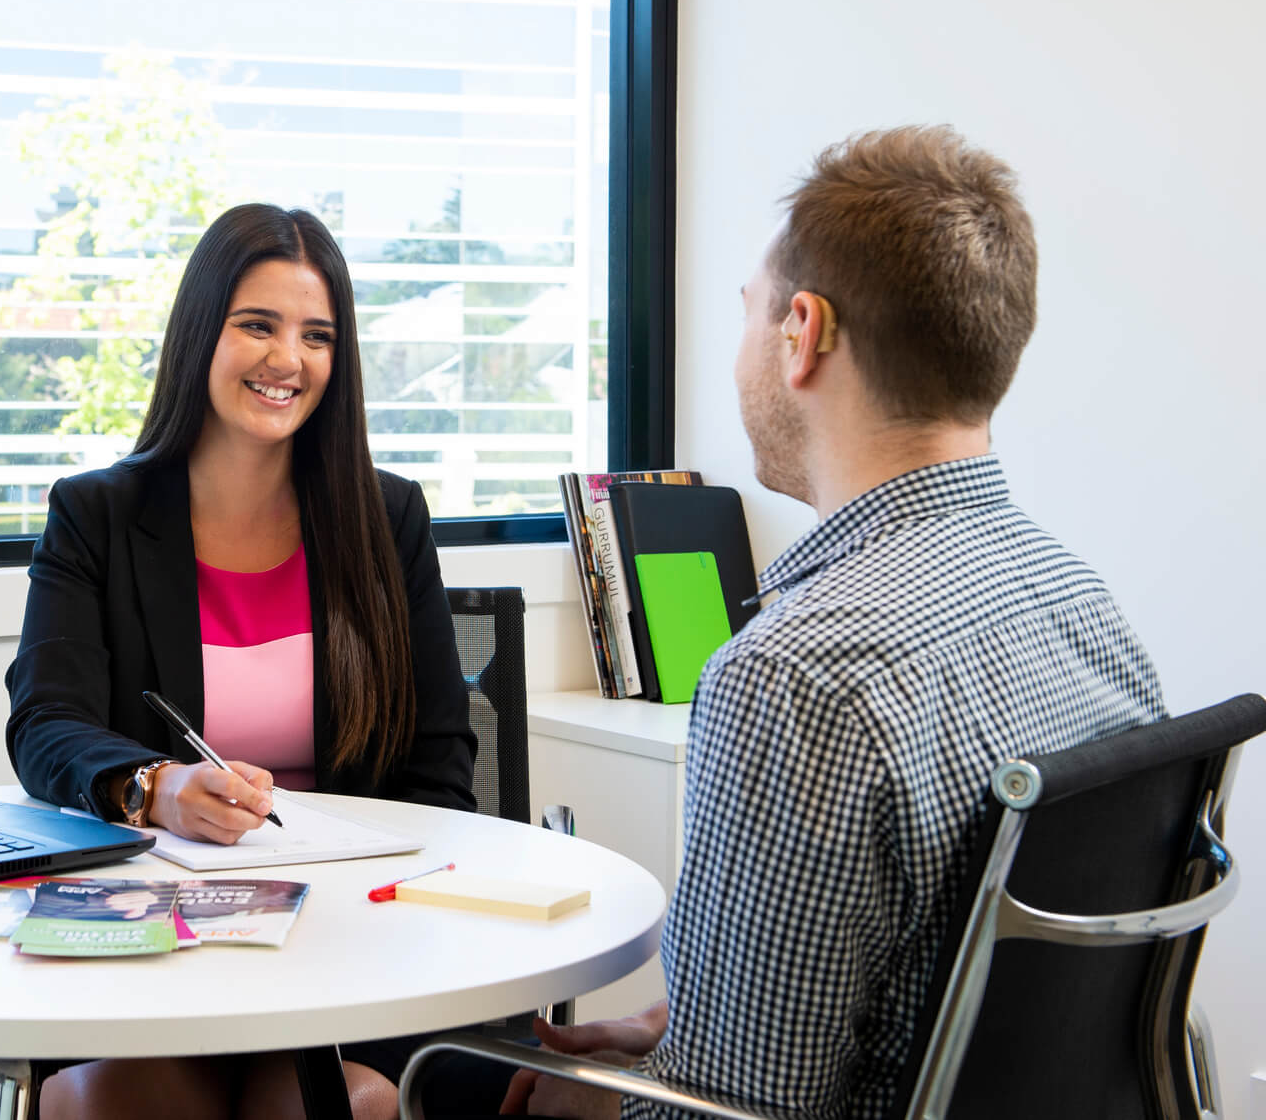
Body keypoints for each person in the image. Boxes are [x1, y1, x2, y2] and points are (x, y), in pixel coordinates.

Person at [488, 127, 1167, 1118]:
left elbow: (722, 1114)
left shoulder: (795, 674)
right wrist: (685, 1025)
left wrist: (596, 1098)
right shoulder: (1078, 601)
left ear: (803, 331)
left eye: (750, 316)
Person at [4, 202, 477, 1120]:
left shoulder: (390, 520)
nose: (287, 360)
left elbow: (441, 769)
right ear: (200, 336)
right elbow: (44, 724)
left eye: (317, 335)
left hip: (345, 938)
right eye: (257, 324)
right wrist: (155, 785)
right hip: (150, 932)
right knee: (117, 1101)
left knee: (332, 1103)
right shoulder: (95, 515)